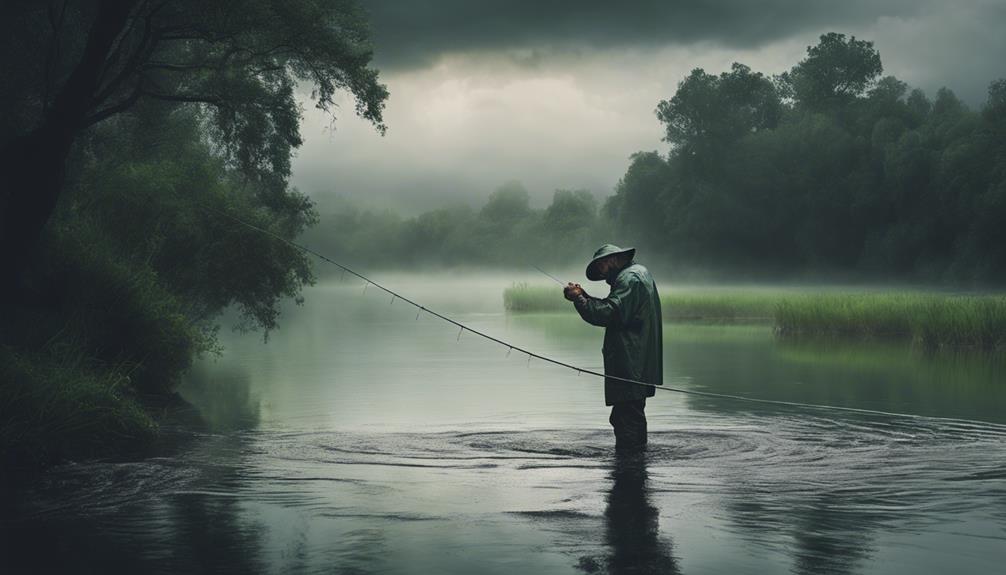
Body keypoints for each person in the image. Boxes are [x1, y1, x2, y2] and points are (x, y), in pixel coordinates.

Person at [563, 244, 662, 449]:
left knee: (626, 418)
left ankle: (631, 470)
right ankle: (634, 467)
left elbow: (609, 313)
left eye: (601, 265)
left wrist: (579, 299)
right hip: (637, 362)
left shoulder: (630, 279)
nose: (600, 271)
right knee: (627, 415)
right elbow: (617, 308)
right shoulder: (637, 274)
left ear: (614, 259)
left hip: (631, 363)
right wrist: (585, 295)